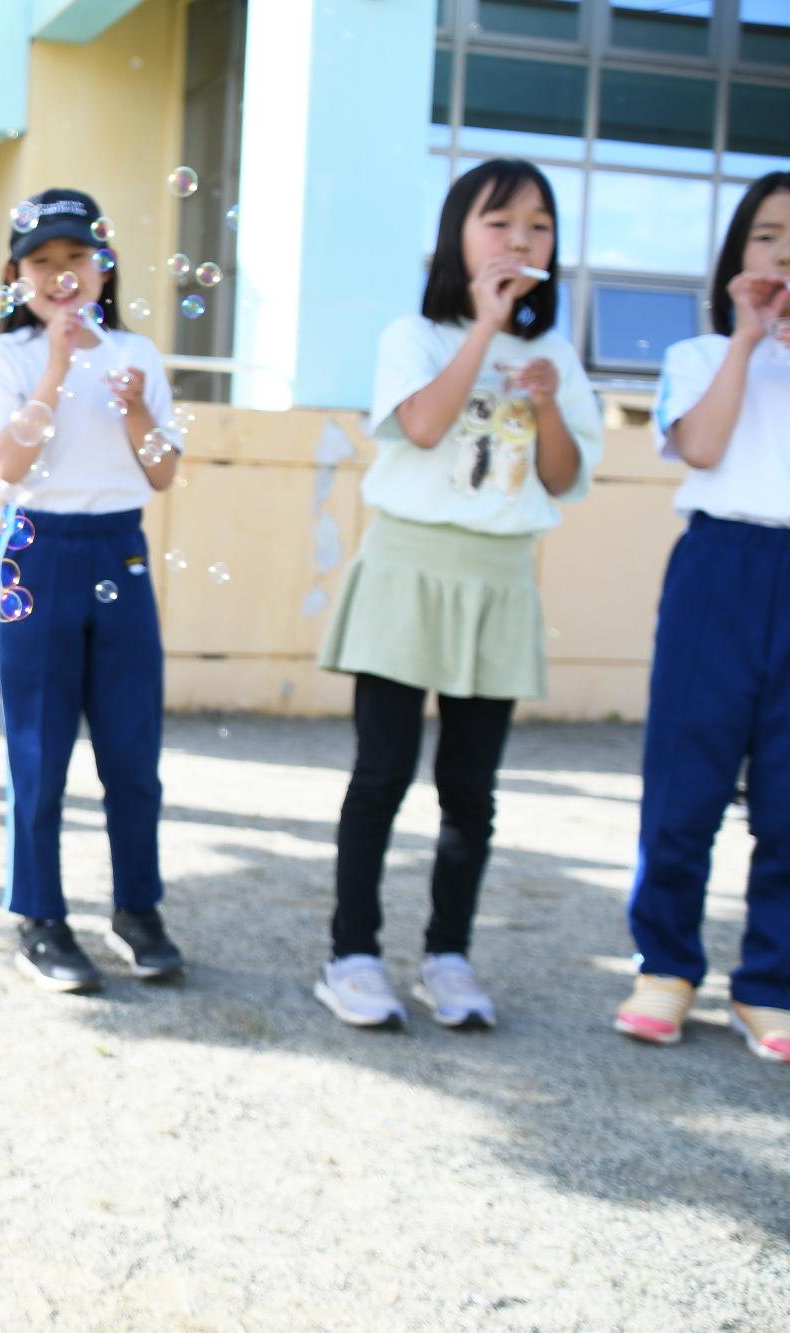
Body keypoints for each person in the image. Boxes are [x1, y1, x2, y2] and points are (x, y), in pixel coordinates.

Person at [314, 159, 603, 1031]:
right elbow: (425, 425)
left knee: (470, 790)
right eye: (500, 221)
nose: (520, 239)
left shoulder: (554, 353)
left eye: (539, 226)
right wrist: (484, 328)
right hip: (406, 568)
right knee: (382, 774)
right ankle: (352, 954)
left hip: (498, 578)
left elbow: (562, 476)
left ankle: (449, 954)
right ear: (456, 234)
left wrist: (549, 405)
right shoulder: (415, 335)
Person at [0, 188, 184, 995]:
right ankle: (41, 916)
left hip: (117, 548)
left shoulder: (140, 353)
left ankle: (138, 909)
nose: (62, 276)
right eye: (42, 262)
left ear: (104, 264)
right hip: (37, 550)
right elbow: (7, 464)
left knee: (133, 750)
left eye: (76, 258)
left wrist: (133, 411)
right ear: (18, 275)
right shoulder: (10, 358)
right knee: (40, 749)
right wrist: (60, 364)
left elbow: (162, 471)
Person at [617, 171, 790, 1063]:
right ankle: (666, 966)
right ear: (736, 255)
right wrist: (750, 341)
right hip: (720, 566)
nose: (784, 250)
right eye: (767, 234)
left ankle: (771, 983)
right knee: (685, 781)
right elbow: (706, 445)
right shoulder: (697, 354)